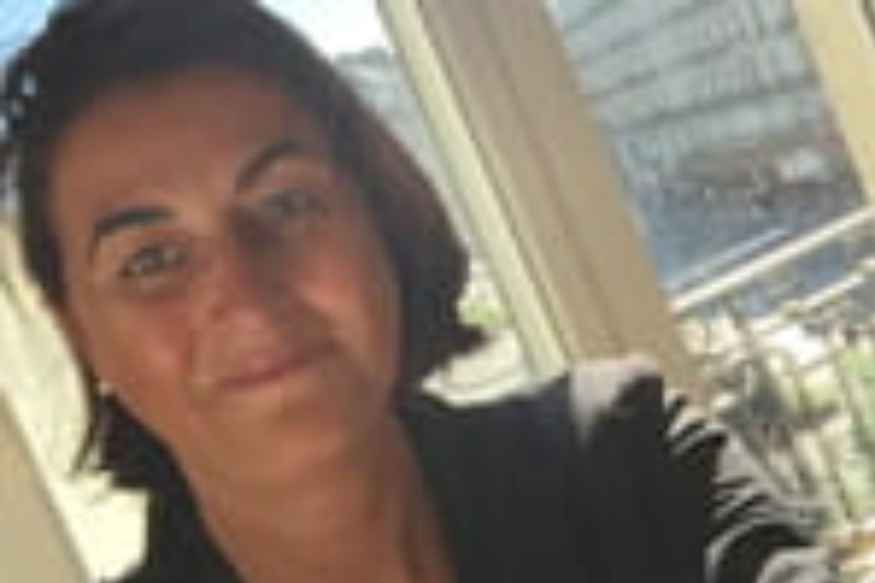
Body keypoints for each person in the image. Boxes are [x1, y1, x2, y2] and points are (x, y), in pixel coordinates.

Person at [0, 0, 841, 581]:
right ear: (82, 334)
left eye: (287, 204)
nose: (245, 296)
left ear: (382, 222)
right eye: (151, 259)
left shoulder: (626, 457)